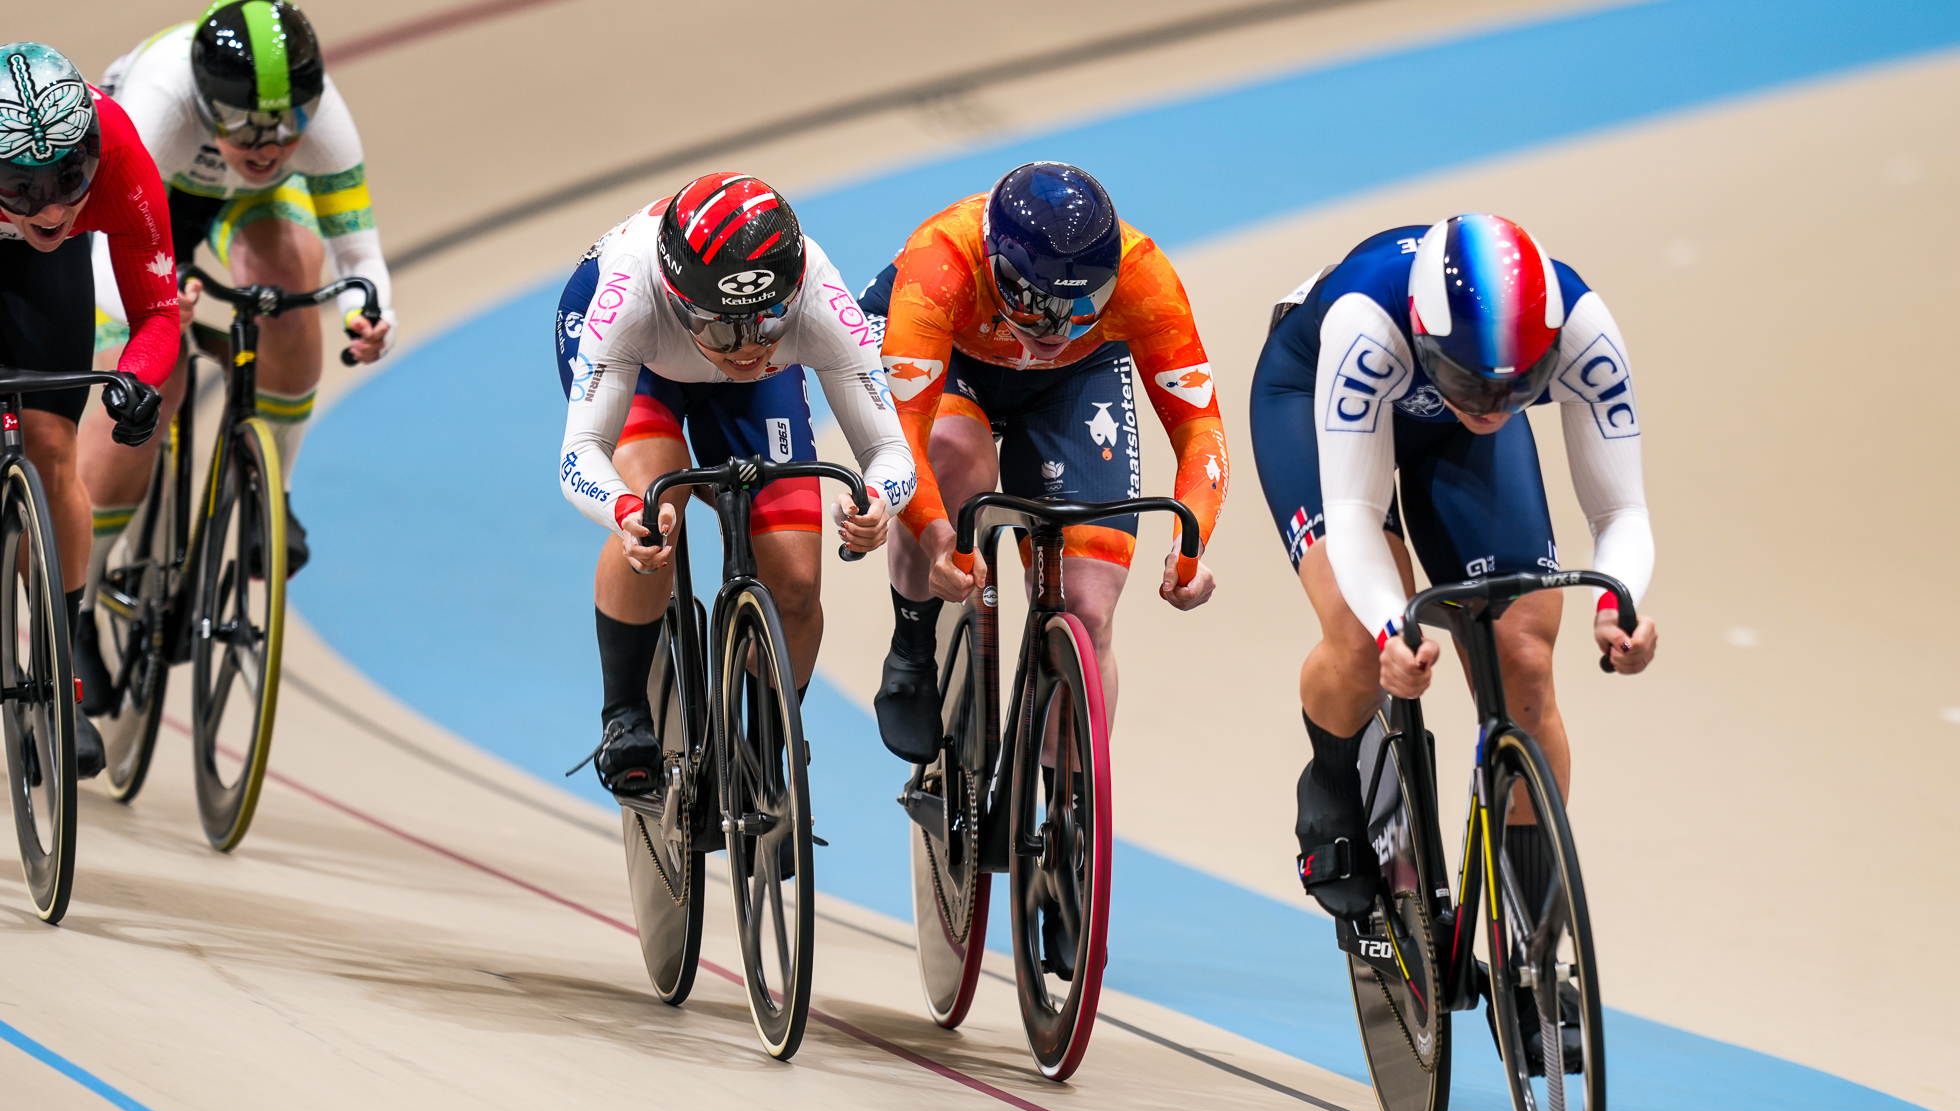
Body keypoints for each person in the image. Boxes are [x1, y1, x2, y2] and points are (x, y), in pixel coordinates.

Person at [1248, 214, 1659, 926]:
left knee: (1524, 657)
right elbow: (1352, 515)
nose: (1494, 407)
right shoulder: (1364, 323)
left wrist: (1617, 607)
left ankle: (1533, 938)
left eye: (1518, 387)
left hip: (1438, 423)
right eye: (1474, 384)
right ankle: (1334, 783)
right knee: (1355, 633)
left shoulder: (1580, 326)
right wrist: (1388, 629)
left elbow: (1622, 511)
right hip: (1310, 393)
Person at [557, 172, 915, 795]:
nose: (749, 347)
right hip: (644, 363)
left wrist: (879, 501)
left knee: (797, 585)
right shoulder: (628, 297)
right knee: (655, 501)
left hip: (744, 388)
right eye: (726, 329)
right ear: (679, 300)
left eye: (769, 323)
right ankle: (625, 716)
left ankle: (760, 751)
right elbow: (580, 453)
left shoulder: (818, 296)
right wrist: (622, 511)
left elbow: (889, 451)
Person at [78, 0, 395, 701]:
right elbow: (105, 251)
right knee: (149, 390)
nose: (266, 144)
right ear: (204, 102)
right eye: (245, 123)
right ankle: (77, 600)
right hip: (145, 203)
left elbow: (359, 255)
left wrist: (369, 318)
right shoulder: (160, 101)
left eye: (285, 126)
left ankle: (268, 495)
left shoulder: (323, 122)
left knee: (292, 273)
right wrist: (156, 318)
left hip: (243, 210)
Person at [862, 161, 1226, 763]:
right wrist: (933, 539)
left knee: (1087, 608)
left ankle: (1068, 823)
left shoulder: (1143, 275)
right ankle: (911, 643)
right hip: (953, 352)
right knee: (959, 461)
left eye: (1083, 304)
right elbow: (901, 440)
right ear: (999, 272)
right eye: (1037, 304)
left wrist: (1192, 546)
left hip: (1075, 375)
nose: (1056, 326)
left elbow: (1199, 428)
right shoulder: (939, 262)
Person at [0, 42, 173, 778]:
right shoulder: (63, 191)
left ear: (92, 151)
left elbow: (159, 312)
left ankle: (62, 667)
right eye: (21, 186)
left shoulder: (120, 154)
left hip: (49, 277)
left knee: (54, 445)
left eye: (69, 177)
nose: (50, 205)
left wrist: (137, 380)